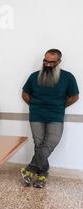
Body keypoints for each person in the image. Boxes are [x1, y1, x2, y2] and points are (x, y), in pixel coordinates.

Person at [21, 49, 79, 188]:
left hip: (56, 116)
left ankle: (31, 168)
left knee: (51, 142)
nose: (47, 64)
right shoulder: (34, 76)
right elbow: (25, 94)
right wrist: (35, 106)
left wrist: (60, 107)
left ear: (59, 62)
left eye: (51, 62)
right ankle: (42, 174)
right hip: (36, 115)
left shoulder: (68, 77)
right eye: (45, 61)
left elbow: (74, 97)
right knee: (39, 144)